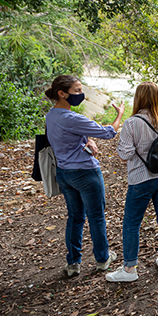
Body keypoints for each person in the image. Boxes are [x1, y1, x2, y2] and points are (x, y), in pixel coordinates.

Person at [44, 75, 124, 277]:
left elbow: (69, 135)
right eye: (77, 91)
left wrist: (87, 140)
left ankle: (73, 263)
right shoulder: (73, 118)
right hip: (85, 173)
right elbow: (108, 132)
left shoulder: (51, 116)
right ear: (62, 93)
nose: (81, 94)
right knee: (96, 216)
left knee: (75, 217)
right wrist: (119, 115)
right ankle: (103, 259)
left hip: (64, 172)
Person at [106, 82, 158, 282]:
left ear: (138, 98)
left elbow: (125, 154)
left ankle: (130, 269)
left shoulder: (132, 123)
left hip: (142, 178)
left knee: (132, 222)